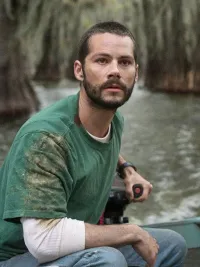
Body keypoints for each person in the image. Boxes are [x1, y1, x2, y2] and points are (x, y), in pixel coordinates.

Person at [0, 21, 187, 267]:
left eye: (124, 62)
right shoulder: (45, 138)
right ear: (79, 70)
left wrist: (127, 169)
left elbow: (96, 145)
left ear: (136, 73)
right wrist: (130, 232)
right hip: (16, 257)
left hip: (65, 249)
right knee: (107, 259)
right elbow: (43, 240)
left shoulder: (113, 120)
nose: (115, 71)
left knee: (172, 244)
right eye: (102, 60)